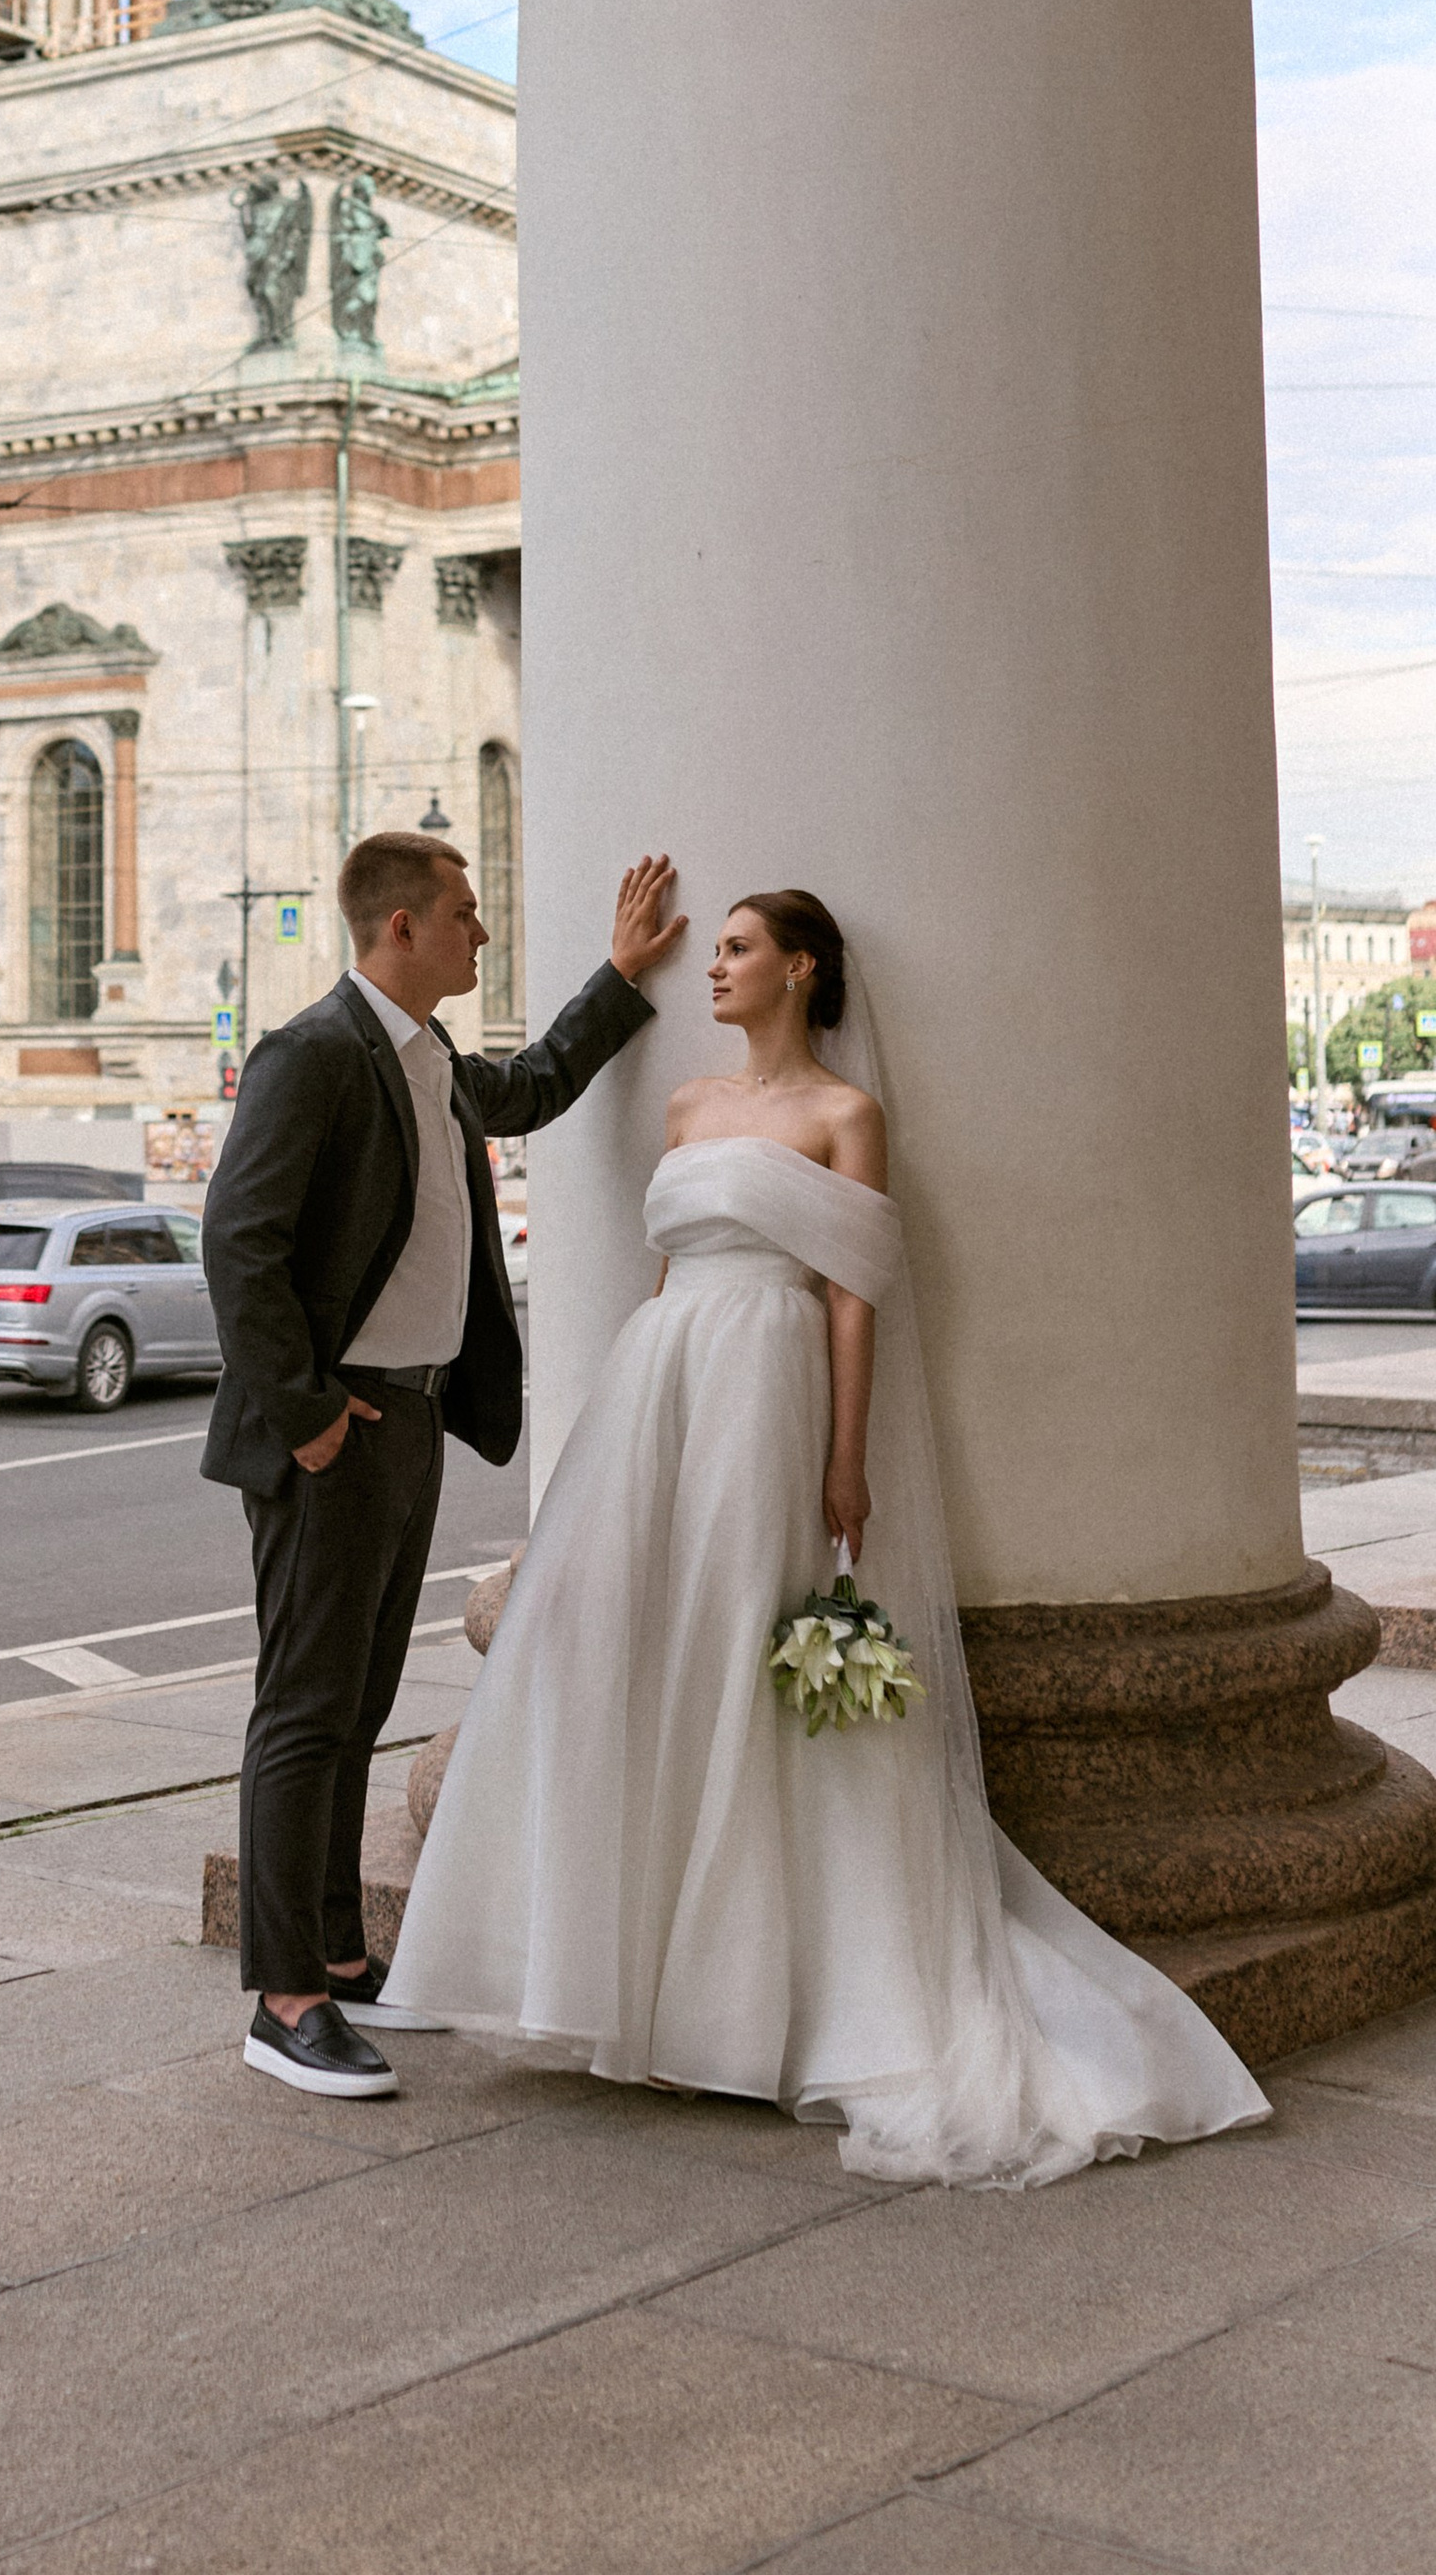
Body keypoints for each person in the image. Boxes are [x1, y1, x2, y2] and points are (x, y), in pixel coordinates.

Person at [384, 888, 1269, 2186]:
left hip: (771, 1391)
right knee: (645, 1660)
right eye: (720, 949)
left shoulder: (846, 1116)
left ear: (801, 970)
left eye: (739, 950)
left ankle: (740, 2005)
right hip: (663, 1399)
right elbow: (663, 1280)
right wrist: (622, 1426)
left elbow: (855, 1299)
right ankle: (626, 1982)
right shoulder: (690, 1106)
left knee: (758, 1666)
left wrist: (845, 1462)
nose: (719, 969)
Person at [201, 832, 686, 2098]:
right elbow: (238, 1247)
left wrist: (623, 978)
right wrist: (305, 1411)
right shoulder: (310, 1056)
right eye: (464, 914)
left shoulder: (430, 1066)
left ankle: (341, 1959)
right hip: (336, 1428)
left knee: (356, 1702)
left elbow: (536, 1084)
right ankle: (283, 1997)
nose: (480, 933)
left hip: (407, 1421)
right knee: (304, 1710)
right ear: (399, 928)